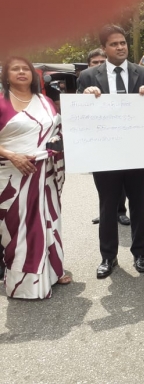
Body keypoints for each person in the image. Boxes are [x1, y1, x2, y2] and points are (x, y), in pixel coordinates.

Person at [77, 24, 144, 279]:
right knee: (108, 207)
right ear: (104, 48)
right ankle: (108, 257)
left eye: (123, 43)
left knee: (139, 204)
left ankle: (140, 253)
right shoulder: (89, 77)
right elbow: (78, 116)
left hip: (137, 154)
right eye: (114, 44)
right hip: (105, 154)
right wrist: (85, 97)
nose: (120, 47)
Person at [0, 56, 71, 298]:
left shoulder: (46, 102)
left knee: (49, 220)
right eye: (15, 69)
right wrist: (12, 156)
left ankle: (53, 270)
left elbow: (57, 133)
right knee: (17, 229)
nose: (21, 72)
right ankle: (22, 280)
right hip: (12, 176)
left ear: (33, 74)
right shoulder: (1, 102)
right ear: (6, 76)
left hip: (45, 172)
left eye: (25, 69)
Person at [86, 48, 131, 227]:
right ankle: (106, 211)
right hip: (101, 142)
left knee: (123, 183)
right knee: (104, 185)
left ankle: (120, 211)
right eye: (94, 63)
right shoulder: (87, 81)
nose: (98, 65)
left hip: (127, 138)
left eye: (101, 61)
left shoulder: (123, 77)